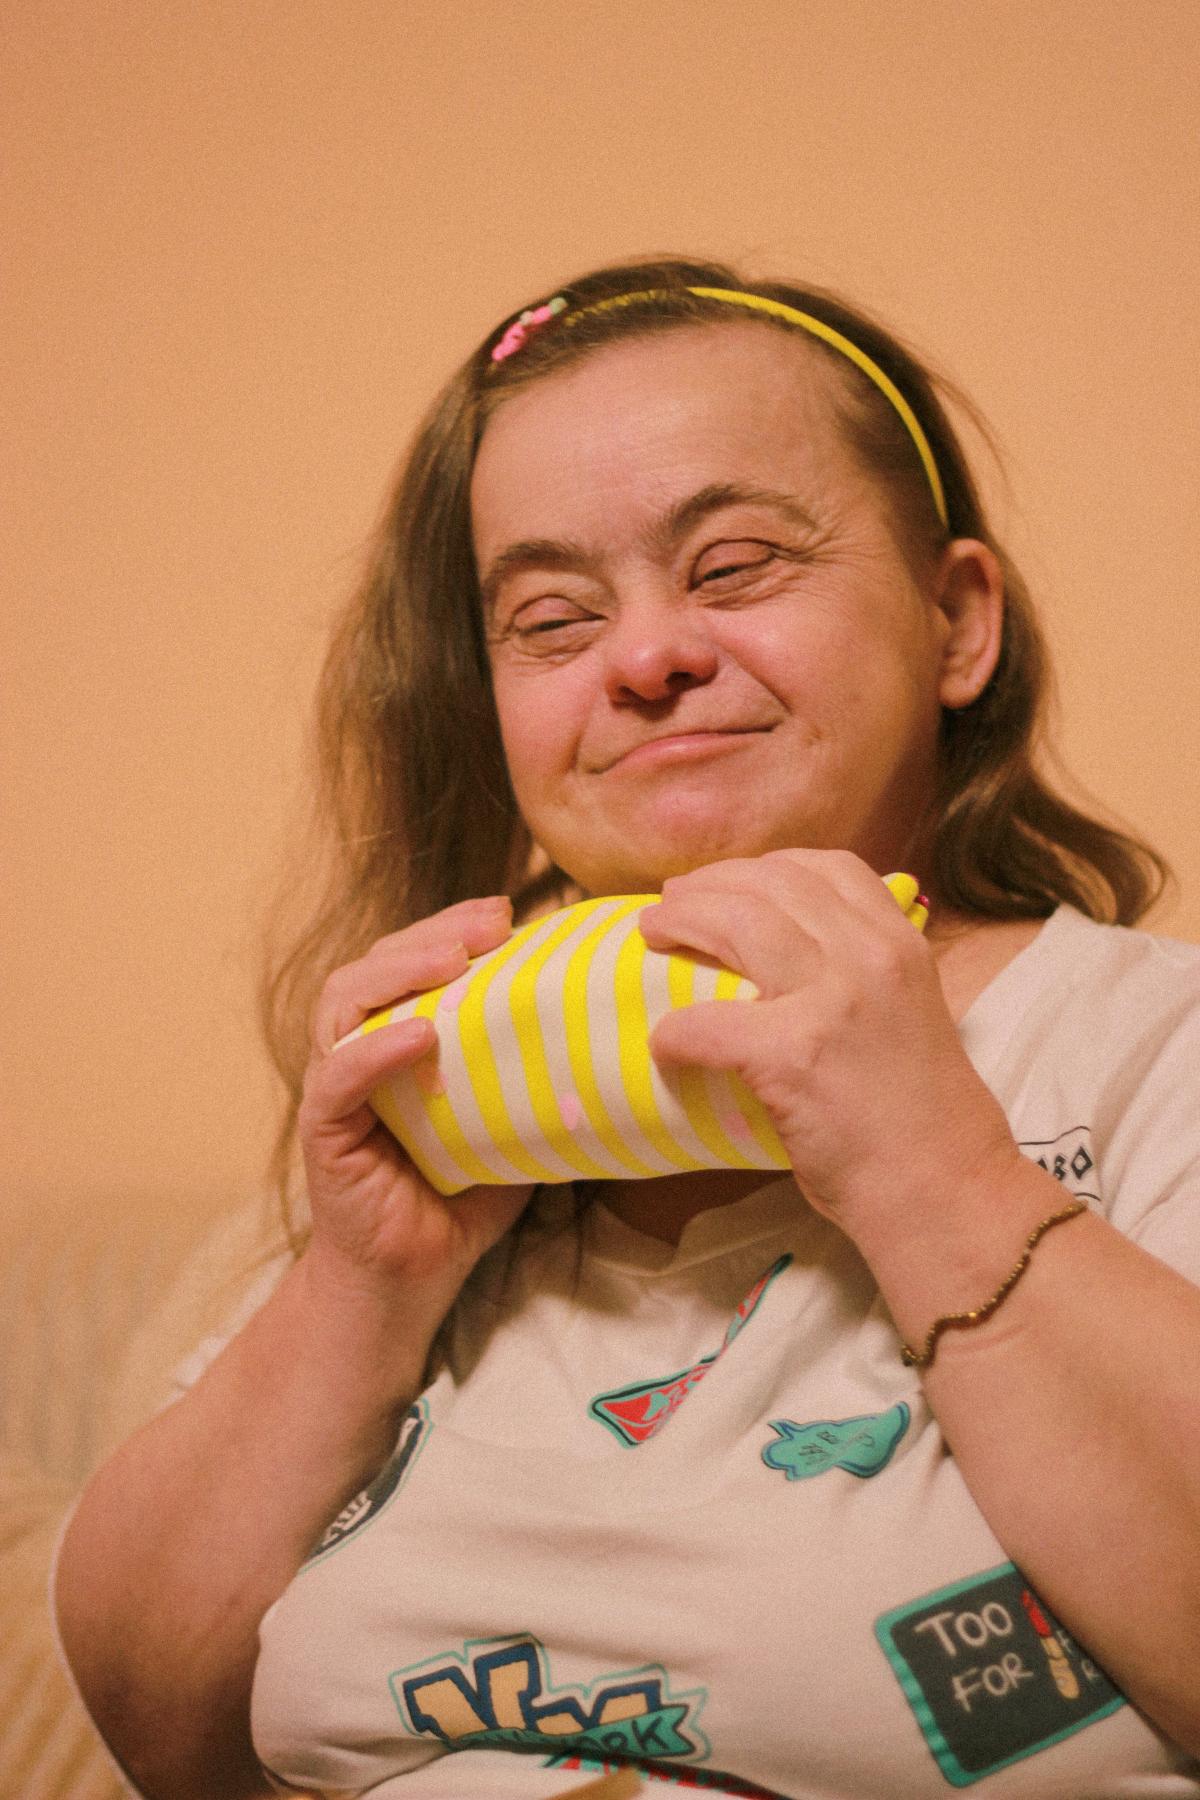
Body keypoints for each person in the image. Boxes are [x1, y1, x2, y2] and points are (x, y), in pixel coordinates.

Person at [53, 259, 1200, 1800]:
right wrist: (359, 1287)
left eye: (731, 568)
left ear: (956, 622)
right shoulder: (463, 1089)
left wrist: (937, 1173)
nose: (643, 656)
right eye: (550, 617)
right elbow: (155, 1728)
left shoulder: (1150, 1049)